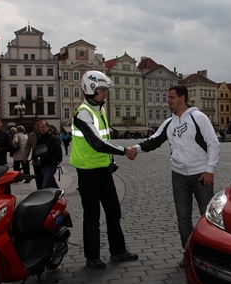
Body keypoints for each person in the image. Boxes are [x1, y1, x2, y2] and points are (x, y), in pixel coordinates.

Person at [133, 84, 220, 267]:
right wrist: (136, 149)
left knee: (207, 217)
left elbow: (213, 143)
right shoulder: (169, 123)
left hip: (201, 175)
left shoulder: (198, 118)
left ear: (182, 97)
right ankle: (189, 254)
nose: (168, 100)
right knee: (183, 218)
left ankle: (210, 257)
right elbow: (154, 140)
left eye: (171, 97)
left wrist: (209, 170)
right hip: (179, 176)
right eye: (168, 97)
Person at [71, 70, 139, 269]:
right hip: (87, 172)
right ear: (91, 89)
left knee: (113, 211)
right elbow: (97, 142)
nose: (105, 94)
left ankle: (118, 251)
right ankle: (92, 257)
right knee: (92, 215)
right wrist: (123, 150)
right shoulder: (83, 113)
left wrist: (110, 162)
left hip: (102, 170)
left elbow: (103, 142)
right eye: (102, 90)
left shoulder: (98, 110)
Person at [36, 120, 63, 189]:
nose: (42, 129)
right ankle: (60, 194)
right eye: (40, 127)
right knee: (51, 182)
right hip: (43, 164)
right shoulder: (39, 138)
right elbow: (37, 150)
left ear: (48, 127)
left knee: (45, 185)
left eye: (43, 127)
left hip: (51, 164)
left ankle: (46, 198)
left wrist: (54, 161)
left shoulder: (53, 138)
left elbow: (58, 151)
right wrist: (37, 158)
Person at [23, 119, 44, 190]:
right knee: (38, 177)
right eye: (37, 125)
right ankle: (40, 191)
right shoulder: (31, 136)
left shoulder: (45, 134)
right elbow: (27, 146)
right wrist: (25, 156)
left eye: (39, 124)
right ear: (34, 126)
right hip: (35, 160)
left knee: (45, 177)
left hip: (45, 160)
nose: (38, 126)